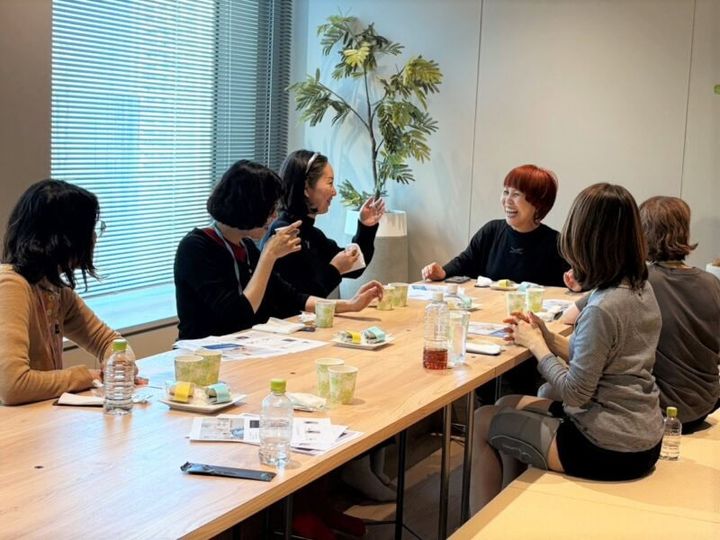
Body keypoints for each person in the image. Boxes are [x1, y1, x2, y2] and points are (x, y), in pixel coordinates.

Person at [470, 183, 664, 513]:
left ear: (586, 239)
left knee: (482, 421)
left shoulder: (603, 307)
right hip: (642, 434)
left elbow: (575, 393)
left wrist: (537, 347)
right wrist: (545, 335)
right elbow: (601, 358)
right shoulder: (639, 288)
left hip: (605, 445)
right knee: (505, 404)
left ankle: (480, 527)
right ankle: (511, 509)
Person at [174, 159, 383, 340]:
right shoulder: (195, 248)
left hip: (243, 349)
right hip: (202, 356)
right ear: (249, 207)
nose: (274, 216)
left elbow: (292, 297)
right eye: (269, 209)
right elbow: (237, 316)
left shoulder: (246, 247)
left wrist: (350, 304)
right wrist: (268, 256)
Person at [0, 180, 123, 405]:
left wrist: (120, 362)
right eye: (90, 229)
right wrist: (88, 376)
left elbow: (109, 342)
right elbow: (12, 386)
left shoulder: (54, 288)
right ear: (66, 238)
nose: (94, 238)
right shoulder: (11, 285)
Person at [639, 196, 720, 433]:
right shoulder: (712, 283)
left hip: (659, 409)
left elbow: (572, 316)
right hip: (705, 404)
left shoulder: (641, 280)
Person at [262, 150, 385, 297]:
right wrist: (335, 269)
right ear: (306, 188)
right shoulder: (284, 234)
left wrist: (366, 227)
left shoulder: (312, 234)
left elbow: (355, 267)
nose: (334, 192)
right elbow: (301, 299)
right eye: (330, 183)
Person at [421, 164, 569, 286]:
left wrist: (576, 283)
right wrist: (443, 272)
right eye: (505, 192)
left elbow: (571, 285)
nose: (507, 200)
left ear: (538, 203)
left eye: (516, 194)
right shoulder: (491, 231)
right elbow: (465, 262)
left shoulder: (556, 243)